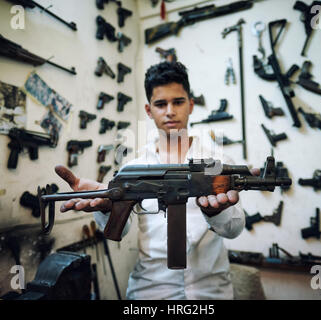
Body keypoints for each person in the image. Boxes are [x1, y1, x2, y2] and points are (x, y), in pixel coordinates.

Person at [55, 61, 257, 299]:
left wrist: (217, 213)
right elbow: (122, 227)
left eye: (178, 102)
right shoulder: (133, 168)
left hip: (210, 291)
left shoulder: (219, 162)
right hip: (150, 291)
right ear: (149, 110)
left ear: (191, 105)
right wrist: (108, 205)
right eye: (161, 104)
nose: (170, 111)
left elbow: (234, 230)